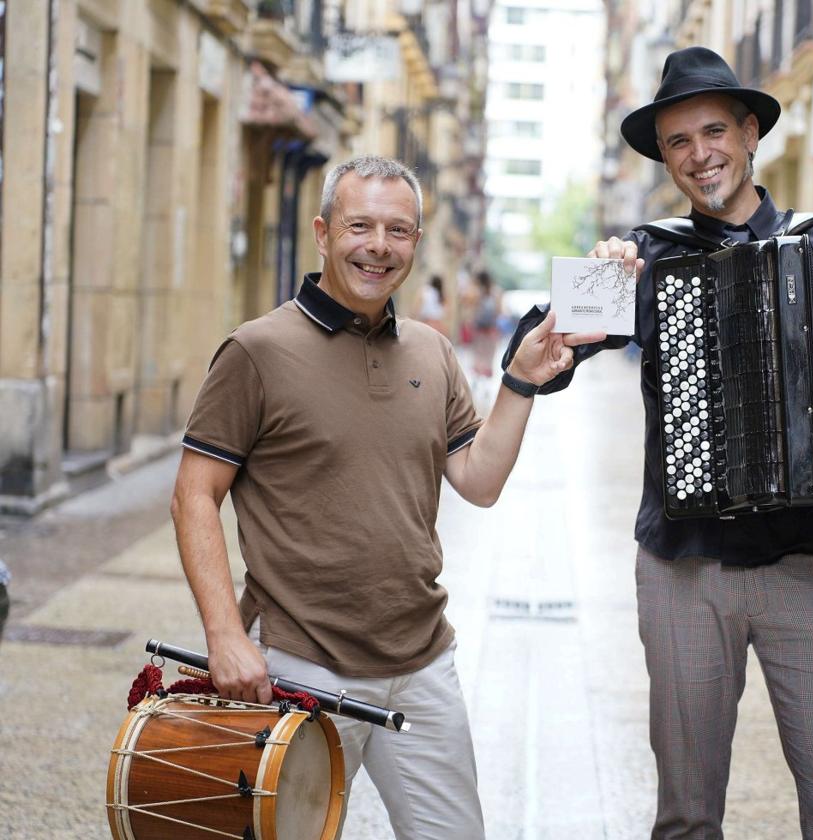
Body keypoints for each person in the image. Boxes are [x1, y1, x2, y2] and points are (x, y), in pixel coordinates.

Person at [502, 48, 813, 839]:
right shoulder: (649, 256)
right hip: (684, 569)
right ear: (665, 158)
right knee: (686, 814)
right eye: (679, 141)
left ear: (749, 135)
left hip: (810, 568)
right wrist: (586, 287)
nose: (700, 154)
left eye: (714, 131)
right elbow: (533, 348)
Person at [171, 155, 601, 839]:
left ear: (416, 243)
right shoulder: (257, 352)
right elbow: (195, 494)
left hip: (422, 663)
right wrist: (225, 636)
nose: (379, 246)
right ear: (322, 232)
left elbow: (478, 483)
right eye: (360, 225)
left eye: (398, 231)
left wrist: (521, 382)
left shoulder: (432, 353)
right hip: (297, 662)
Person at [416, 273, 449, 337]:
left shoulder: (424, 291)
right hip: (439, 326)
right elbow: (447, 311)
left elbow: (417, 309)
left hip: (426, 323)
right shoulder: (442, 295)